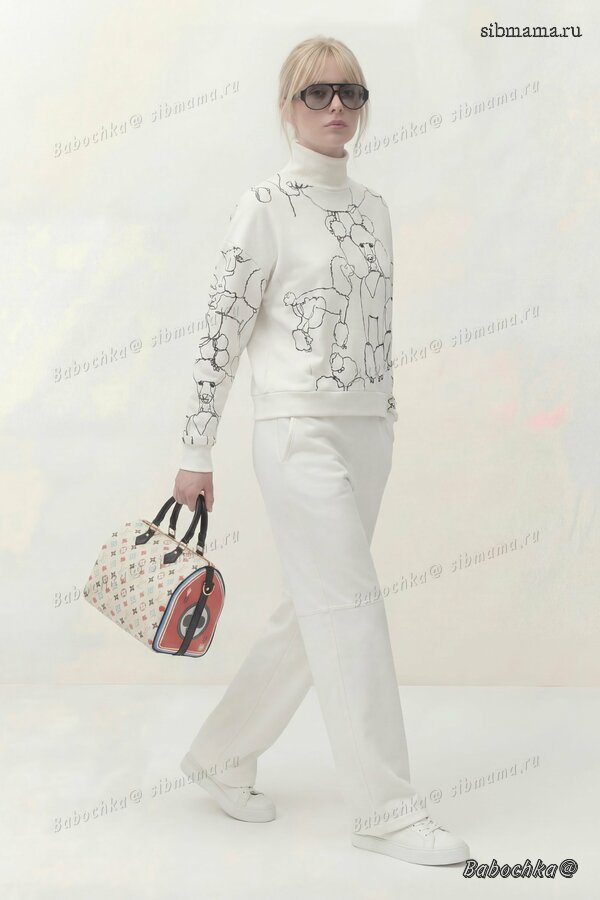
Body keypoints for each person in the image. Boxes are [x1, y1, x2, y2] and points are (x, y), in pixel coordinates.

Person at [173, 35, 470, 867]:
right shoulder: (264, 206)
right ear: (288, 105)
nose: (337, 106)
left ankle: (222, 753)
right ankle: (386, 809)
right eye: (317, 93)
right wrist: (196, 450)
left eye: (351, 92)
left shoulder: (374, 208)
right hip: (296, 434)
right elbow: (220, 333)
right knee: (353, 610)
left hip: (368, 431)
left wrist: (383, 413)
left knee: (316, 612)